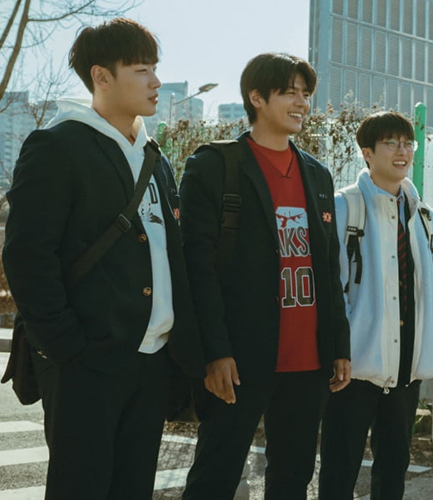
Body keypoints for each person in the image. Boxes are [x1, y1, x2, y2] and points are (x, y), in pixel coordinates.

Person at [2, 18, 204, 499]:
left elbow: (172, 254)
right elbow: (27, 257)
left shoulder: (154, 156)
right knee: (82, 488)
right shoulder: (58, 145)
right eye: (141, 70)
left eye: (155, 68)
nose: (155, 81)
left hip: (151, 361)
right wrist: (68, 349)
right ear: (101, 76)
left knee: (133, 488)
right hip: (87, 361)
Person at [180, 52, 350, 500]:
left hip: (308, 360)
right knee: (214, 476)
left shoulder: (317, 174)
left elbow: (327, 267)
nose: (302, 103)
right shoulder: (215, 166)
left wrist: (338, 345)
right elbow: (198, 268)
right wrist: (215, 351)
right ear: (256, 98)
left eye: (306, 94)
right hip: (240, 356)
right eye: (290, 92)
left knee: (293, 480)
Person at [317, 111, 433, 500]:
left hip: (407, 365)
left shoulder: (424, 216)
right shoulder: (345, 207)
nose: (402, 152)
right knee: (339, 467)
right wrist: (338, 348)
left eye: (408, 143)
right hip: (353, 368)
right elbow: (330, 286)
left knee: (394, 467)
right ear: (367, 152)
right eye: (391, 143)